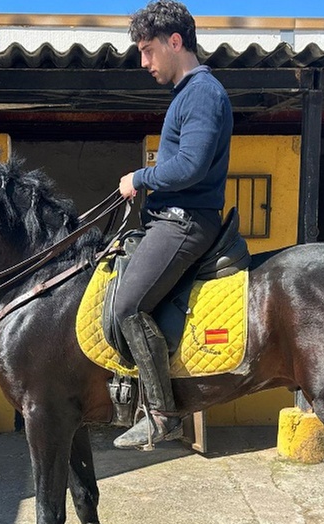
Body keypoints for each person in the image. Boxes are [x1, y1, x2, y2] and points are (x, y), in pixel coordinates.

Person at [114, 0, 233, 449]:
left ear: (175, 42)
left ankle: (163, 414)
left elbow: (190, 167)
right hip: (169, 219)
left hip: (185, 222)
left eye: (147, 51)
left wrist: (139, 177)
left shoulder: (202, 93)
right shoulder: (186, 95)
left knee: (128, 306)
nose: (144, 62)